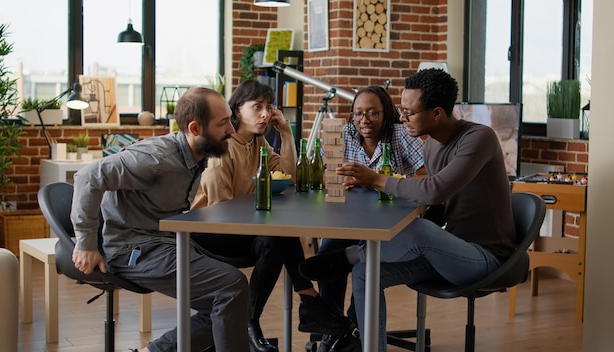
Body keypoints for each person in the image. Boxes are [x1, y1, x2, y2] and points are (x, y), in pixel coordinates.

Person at [299, 69, 516, 352]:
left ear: (437, 113)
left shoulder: (479, 138)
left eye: (408, 113)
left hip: (484, 258)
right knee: (367, 271)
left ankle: (350, 255)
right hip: (448, 251)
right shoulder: (432, 146)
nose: (401, 118)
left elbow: (435, 189)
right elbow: (434, 204)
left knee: (418, 229)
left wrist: (376, 179)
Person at [70, 87, 250, 352]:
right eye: (223, 123)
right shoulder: (155, 158)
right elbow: (88, 177)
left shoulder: (195, 156)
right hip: (132, 247)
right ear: (195, 128)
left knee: (230, 300)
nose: (232, 131)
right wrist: (85, 243)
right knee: (231, 285)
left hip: (165, 239)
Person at [191, 79, 351, 352]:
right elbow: (220, 208)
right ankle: (306, 302)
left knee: (278, 237)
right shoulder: (224, 148)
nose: (265, 114)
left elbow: (287, 175)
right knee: (277, 236)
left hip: (242, 226)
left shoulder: (258, 142)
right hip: (209, 229)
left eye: (268, 107)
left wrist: (286, 133)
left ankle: (263, 315)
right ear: (238, 111)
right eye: (257, 107)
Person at [312, 85, 425, 351]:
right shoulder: (344, 133)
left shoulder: (400, 135)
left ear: (387, 114)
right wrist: (338, 179)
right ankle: (334, 325)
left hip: (392, 221)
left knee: (366, 258)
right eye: (359, 114)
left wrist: (382, 182)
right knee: (328, 250)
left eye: (373, 113)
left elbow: (426, 178)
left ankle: (355, 329)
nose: (364, 121)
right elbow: (327, 176)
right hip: (351, 217)